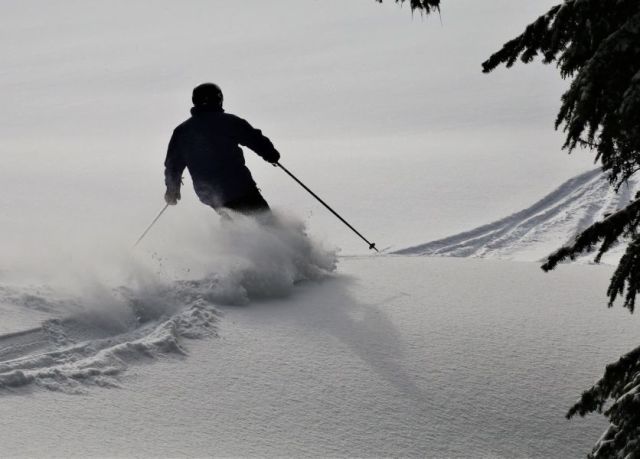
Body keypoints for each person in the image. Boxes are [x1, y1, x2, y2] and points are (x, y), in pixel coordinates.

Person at [164, 83, 280, 215]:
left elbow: (173, 165)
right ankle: (272, 233)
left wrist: (172, 189)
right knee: (264, 221)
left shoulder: (182, 131)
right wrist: (270, 154)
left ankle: (235, 233)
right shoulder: (229, 122)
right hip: (241, 187)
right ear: (219, 99)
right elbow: (254, 138)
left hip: (210, 194)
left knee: (232, 217)